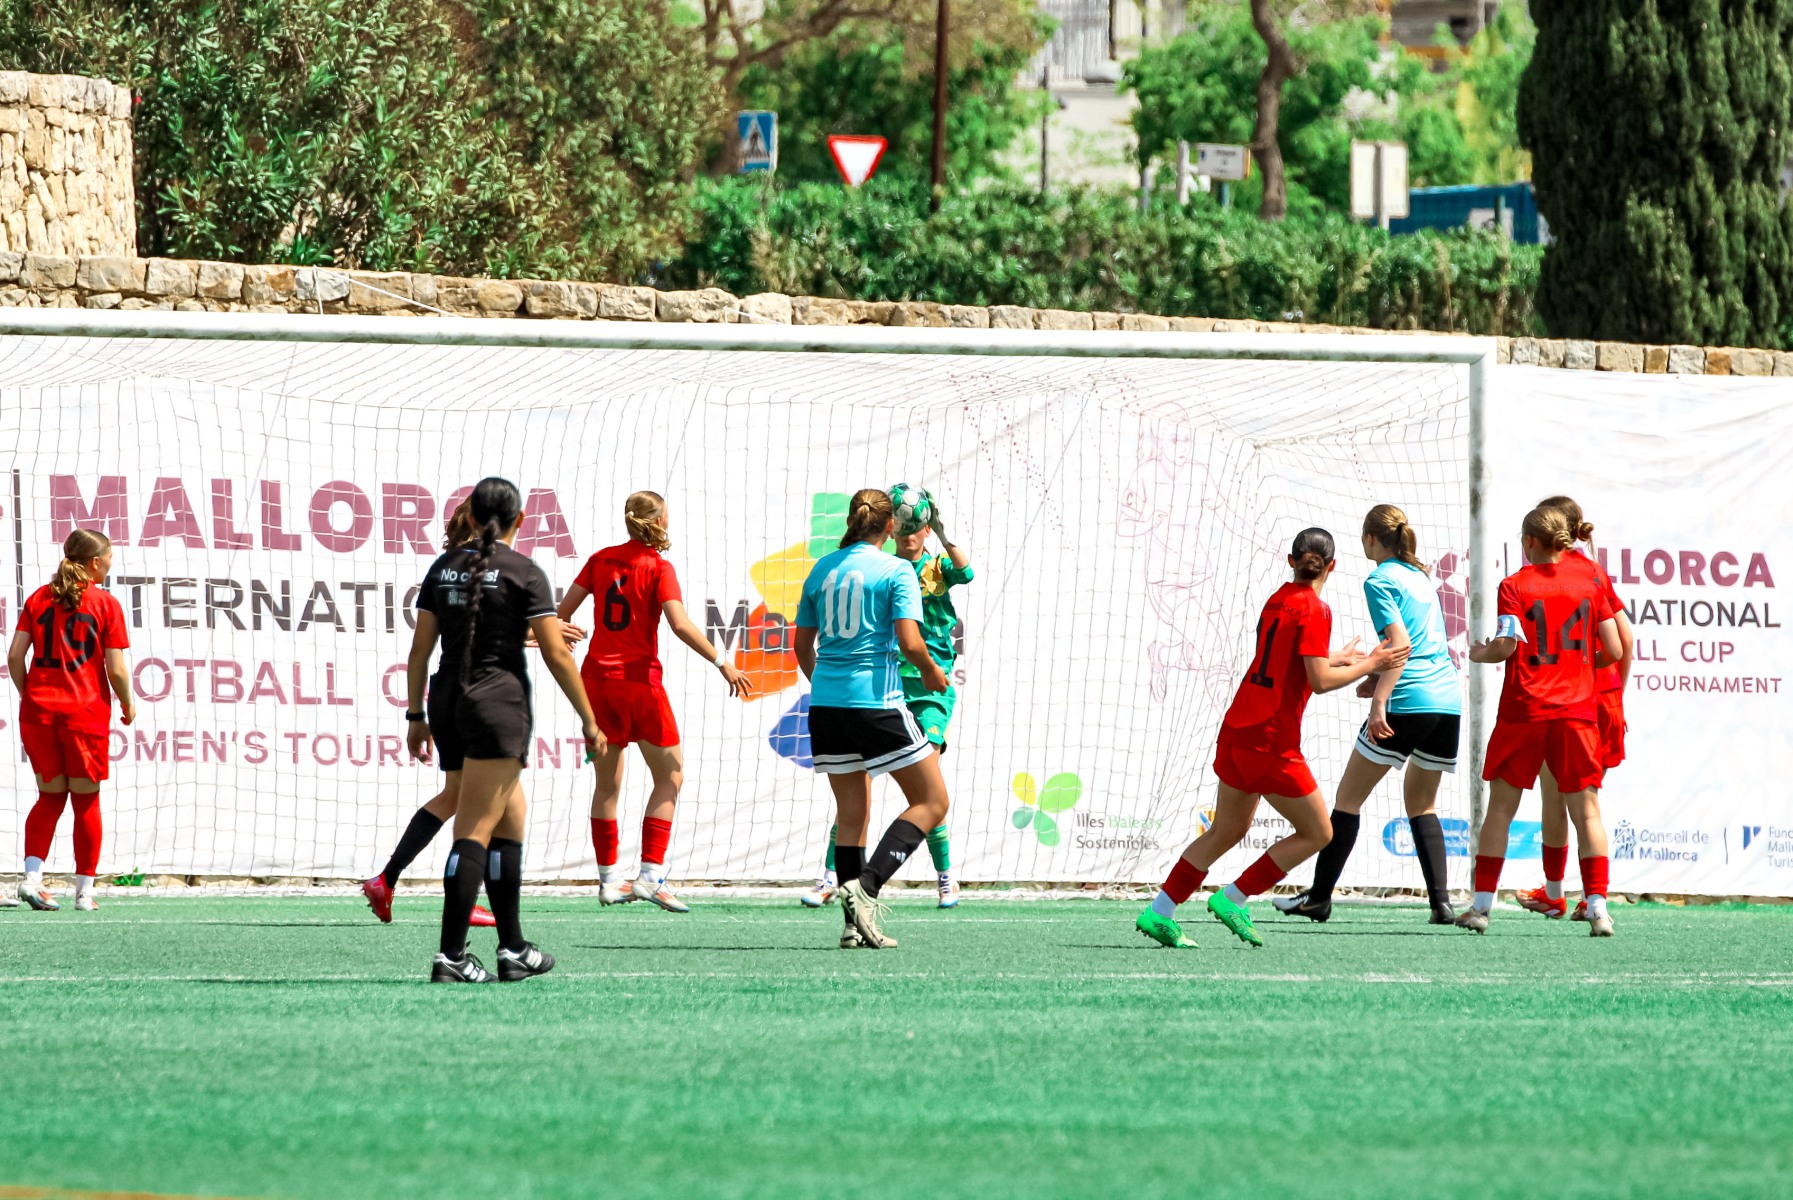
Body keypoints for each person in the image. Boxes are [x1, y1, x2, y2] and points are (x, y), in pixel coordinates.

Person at [1136, 528, 1406, 950]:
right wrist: (1372, 663)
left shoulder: (1278, 598)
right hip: (1271, 741)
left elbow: (1286, 658)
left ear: (1291, 561)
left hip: (1238, 729)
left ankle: (1160, 910)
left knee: (1226, 829)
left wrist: (1339, 657)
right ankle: (1234, 897)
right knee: (1319, 833)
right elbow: (1319, 681)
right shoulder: (1316, 609)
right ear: (1332, 566)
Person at [407, 477, 603, 983]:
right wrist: (589, 719)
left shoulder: (442, 567)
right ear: (520, 519)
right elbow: (557, 653)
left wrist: (415, 715)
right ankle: (451, 957)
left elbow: (420, 651)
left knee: (509, 818)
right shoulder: (524, 571)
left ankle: (513, 948)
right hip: (496, 704)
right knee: (475, 828)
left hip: (447, 701)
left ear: (470, 516)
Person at [362, 500, 585, 926]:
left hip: (448, 695)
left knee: (469, 799)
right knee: (485, 811)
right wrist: (540, 630)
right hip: (479, 700)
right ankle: (460, 919)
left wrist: (530, 634)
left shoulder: (453, 568)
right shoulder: (480, 568)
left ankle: (393, 881)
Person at [557, 491, 750, 914]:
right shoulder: (658, 567)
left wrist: (558, 635)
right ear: (659, 521)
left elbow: (561, 614)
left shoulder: (600, 560)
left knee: (607, 785)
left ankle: (609, 881)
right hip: (640, 683)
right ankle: (649, 875)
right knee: (671, 775)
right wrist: (723, 662)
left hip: (596, 682)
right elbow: (679, 624)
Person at [1275, 505, 1460, 926]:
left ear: (1371, 539)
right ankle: (1441, 904)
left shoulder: (1379, 579)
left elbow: (1400, 644)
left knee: (1348, 799)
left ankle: (1319, 898)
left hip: (1408, 699)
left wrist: (1380, 700)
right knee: (1422, 804)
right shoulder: (1421, 577)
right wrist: (1376, 679)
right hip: (1446, 700)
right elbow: (1421, 644)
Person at [794, 488, 952, 949]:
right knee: (933, 801)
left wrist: (828, 687)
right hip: (876, 703)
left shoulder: (821, 568)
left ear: (852, 520)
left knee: (851, 815)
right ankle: (868, 886)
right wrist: (932, 672)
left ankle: (852, 926)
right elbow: (910, 643)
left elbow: (802, 647)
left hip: (826, 708)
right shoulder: (897, 570)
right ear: (890, 526)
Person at [1461, 504, 1622, 937]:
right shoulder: (1591, 580)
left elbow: (1506, 646)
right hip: (1577, 711)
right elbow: (1614, 649)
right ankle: (1599, 909)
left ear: (1530, 541)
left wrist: (1480, 653)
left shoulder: (1515, 584)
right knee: (1587, 813)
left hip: (1525, 708)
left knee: (1501, 809)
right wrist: (1580, 668)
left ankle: (1481, 908)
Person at [1515, 495, 1632, 923]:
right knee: (1581, 802)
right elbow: (1625, 638)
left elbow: (1620, 638)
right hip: (1598, 696)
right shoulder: (1591, 571)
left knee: (1563, 798)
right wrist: (1617, 692)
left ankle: (1563, 893)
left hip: (1570, 696)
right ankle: (1582, 896)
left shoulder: (1554, 575)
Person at [6, 529, 135, 911]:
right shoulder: (105, 603)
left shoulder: (38, 598)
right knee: (86, 801)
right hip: (84, 713)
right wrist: (128, 704)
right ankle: (84, 893)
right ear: (95, 562)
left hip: (39, 714)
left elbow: (14, 656)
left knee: (49, 797)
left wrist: (31, 695)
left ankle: (32, 878)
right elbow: (116, 670)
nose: (110, 564)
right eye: (109, 558)